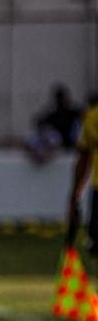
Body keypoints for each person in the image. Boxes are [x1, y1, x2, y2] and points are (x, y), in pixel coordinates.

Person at [66, 99, 98, 258]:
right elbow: (84, 156)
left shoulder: (92, 118)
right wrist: (76, 193)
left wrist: (75, 192)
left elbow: (83, 158)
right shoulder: (92, 118)